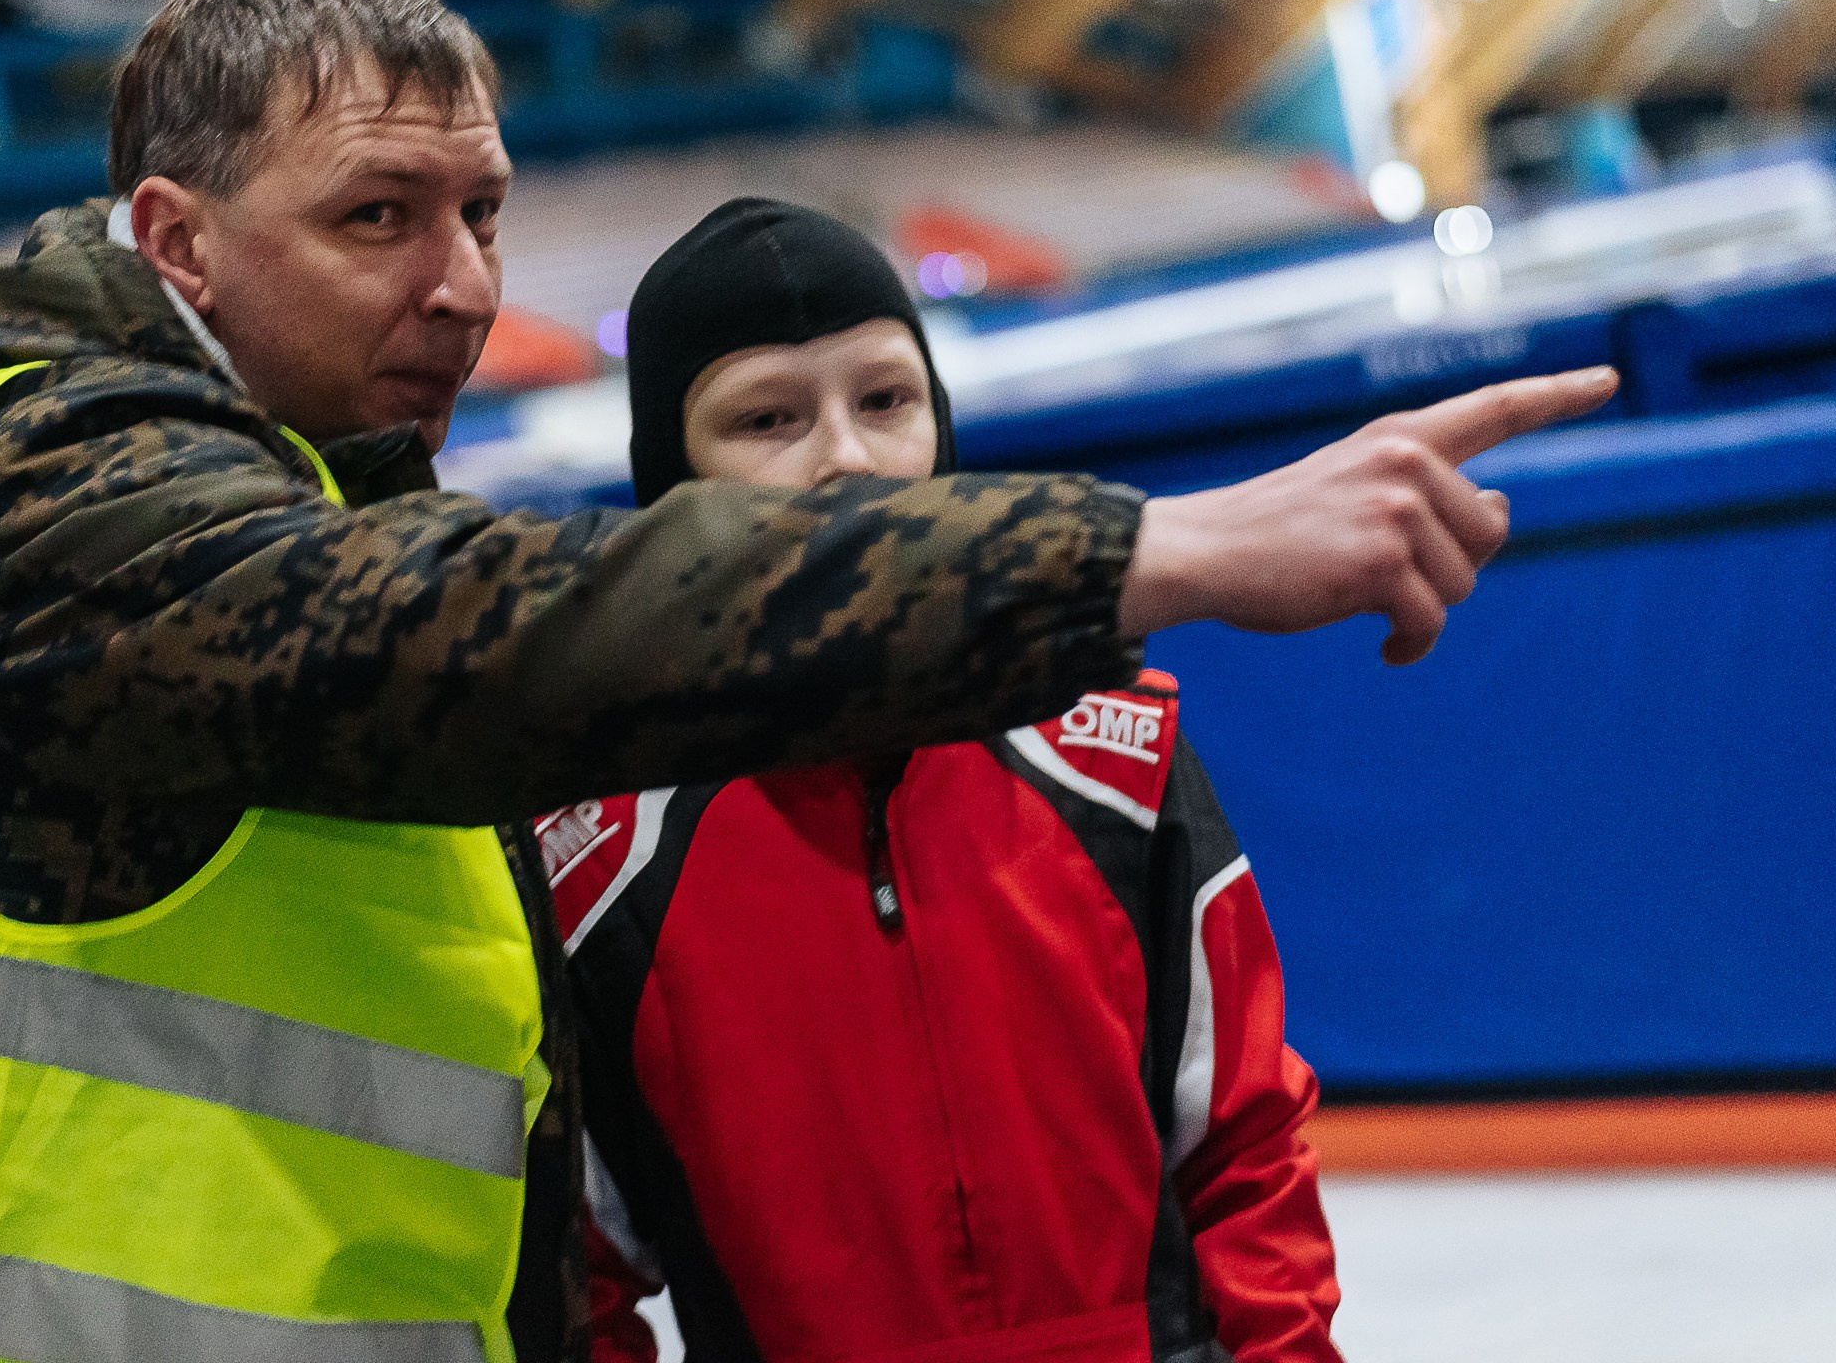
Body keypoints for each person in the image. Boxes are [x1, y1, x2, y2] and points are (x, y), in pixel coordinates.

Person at [0, 0, 1613, 1363]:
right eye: (378, 216)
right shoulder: (38, 485)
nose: (465, 282)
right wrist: (1150, 549)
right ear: (177, 240)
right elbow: (476, 647)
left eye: (482, 210)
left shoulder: (333, 506)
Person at [544, 200, 1336, 1363]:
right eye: (766, 418)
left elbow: (1243, 1147)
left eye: (884, 399)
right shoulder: (601, 859)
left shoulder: (1114, 757)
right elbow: (583, 1278)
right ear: (673, 483)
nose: (847, 458)